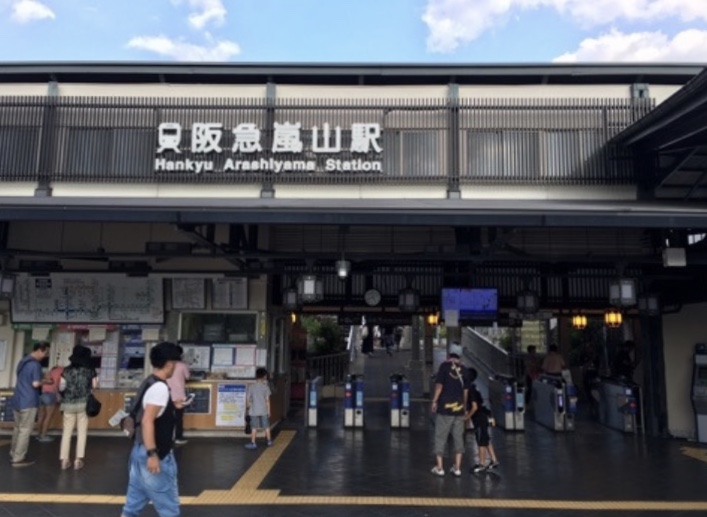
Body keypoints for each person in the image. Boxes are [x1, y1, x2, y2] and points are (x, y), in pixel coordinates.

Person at [121, 341, 182, 517]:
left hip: (138, 449)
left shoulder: (149, 381)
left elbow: (150, 410)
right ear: (169, 364)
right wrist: (153, 454)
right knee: (169, 509)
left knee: (132, 506)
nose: (175, 368)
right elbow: (148, 421)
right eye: (175, 364)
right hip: (155, 454)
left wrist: (172, 405)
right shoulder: (160, 388)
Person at [430, 343, 470, 477]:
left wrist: (434, 401)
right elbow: (465, 391)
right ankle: (457, 468)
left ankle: (440, 467)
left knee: (441, 437)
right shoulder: (464, 369)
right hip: (459, 409)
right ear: (460, 355)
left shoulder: (444, 366)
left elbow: (439, 386)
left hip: (445, 409)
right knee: (459, 438)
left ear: (449, 353)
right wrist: (464, 407)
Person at [10, 341, 51, 467]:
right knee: (25, 430)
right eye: (45, 353)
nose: (45, 356)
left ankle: (14, 453)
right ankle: (18, 459)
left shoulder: (22, 362)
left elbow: (23, 379)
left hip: (17, 399)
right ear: (40, 350)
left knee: (17, 428)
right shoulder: (35, 365)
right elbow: (35, 384)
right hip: (28, 401)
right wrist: (46, 382)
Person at [59, 345, 98, 470]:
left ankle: (64, 460)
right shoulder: (90, 370)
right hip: (84, 404)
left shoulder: (66, 371)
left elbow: (61, 387)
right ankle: (78, 460)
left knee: (66, 432)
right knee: (82, 432)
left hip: (68, 404)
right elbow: (95, 386)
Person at [468, 377, 500, 473]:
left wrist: (466, 417)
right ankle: (494, 460)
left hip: (479, 418)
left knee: (481, 440)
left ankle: (481, 464)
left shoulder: (471, 391)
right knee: (485, 438)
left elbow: (474, 407)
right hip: (484, 415)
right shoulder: (474, 388)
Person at [166, 345, 190, 446]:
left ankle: (167, 437)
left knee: (167, 417)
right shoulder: (182, 365)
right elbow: (188, 377)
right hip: (179, 395)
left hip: (167, 394)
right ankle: (178, 437)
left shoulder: (166, 364)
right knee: (178, 417)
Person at [244, 367, 272, 449]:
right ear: (264, 376)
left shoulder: (251, 387)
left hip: (254, 410)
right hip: (264, 410)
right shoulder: (266, 387)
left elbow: (248, 399)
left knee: (254, 427)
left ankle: (253, 443)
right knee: (267, 427)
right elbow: (267, 400)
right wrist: (269, 411)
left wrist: (247, 409)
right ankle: (269, 441)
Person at [36, 363, 64, 442]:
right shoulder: (62, 371)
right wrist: (58, 395)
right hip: (50, 395)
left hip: (41, 394)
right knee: (48, 416)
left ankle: (38, 435)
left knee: (41, 416)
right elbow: (55, 385)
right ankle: (43, 436)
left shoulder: (50, 372)